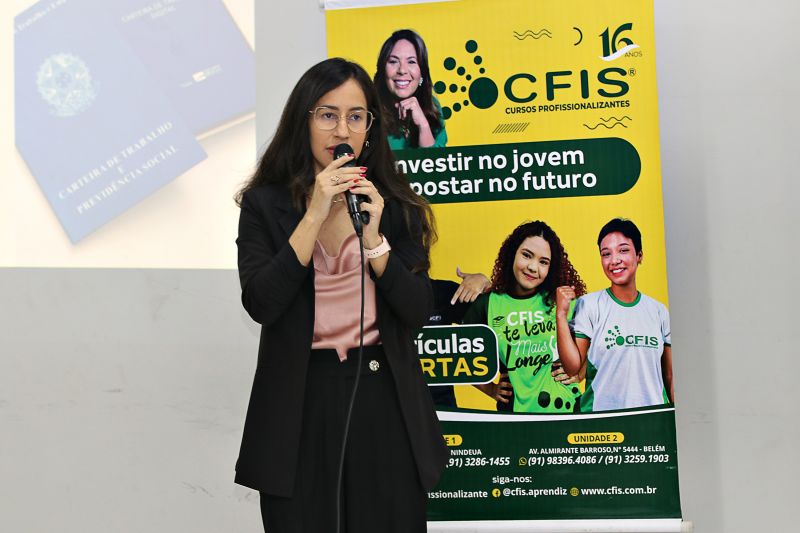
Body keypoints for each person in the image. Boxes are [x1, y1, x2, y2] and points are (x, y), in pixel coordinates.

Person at [234, 57, 447, 532]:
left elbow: (416, 310)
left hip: (383, 398)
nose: (342, 130)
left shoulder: (394, 205)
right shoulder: (264, 205)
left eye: (356, 117)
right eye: (328, 115)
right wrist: (314, 214)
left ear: (370, 128)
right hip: (299, 401)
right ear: (303, 121)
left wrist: (375, 240)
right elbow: (262, 303)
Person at [463, 221, 586, 413]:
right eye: (527, 255)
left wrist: (580, 374)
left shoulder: (561, 300)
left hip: (567, 412)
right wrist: (489, 389)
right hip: (514, 416)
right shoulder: (487, 304)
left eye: (543, 262)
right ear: (512, 253)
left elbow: (596, 344)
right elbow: (460, 355)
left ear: (551, 268)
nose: (533, 267)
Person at [555, 218, 674, 412]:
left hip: (652, 419)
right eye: (606, 254)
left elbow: (670, 376)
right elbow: (572, 368)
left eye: (623, 250)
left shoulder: (659, 311)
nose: (614, 260)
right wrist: (561, 315)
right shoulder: (589, 305)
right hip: (602, 419)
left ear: (639, 255)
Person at [374, 29, 447, 149]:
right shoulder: (369, 111)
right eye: (393, 61)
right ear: (382, 69)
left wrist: (423, 125)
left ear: (422, 71)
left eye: (411, 62)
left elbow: (437, 160)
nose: (402, 70)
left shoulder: (432, 106)